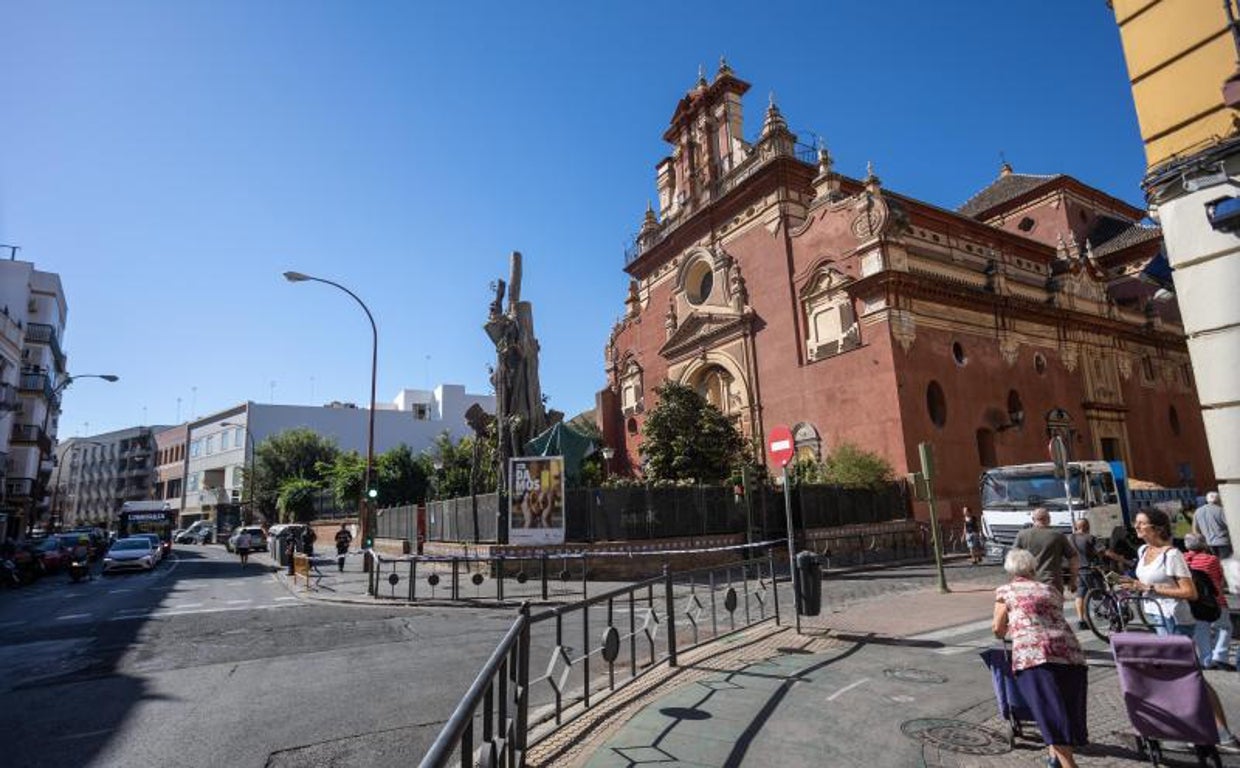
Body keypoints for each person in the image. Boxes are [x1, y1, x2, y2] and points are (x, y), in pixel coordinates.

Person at [1123, 508, 1240, 752]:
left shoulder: (1172, 555)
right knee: (1179, 675)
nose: (1137, 527)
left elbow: (1190, 593)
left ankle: (1218, 731)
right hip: (1156, 617)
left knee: (1189, 675)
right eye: (1136, 523)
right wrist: (1134, 587)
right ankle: (1198, 731)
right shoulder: (1143, 551)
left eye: (1142, 524)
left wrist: (1151, 588)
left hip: (1177, 621)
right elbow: (1145, 584)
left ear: (1156, 528)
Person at [993, 547, 1089, 768]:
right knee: (1065, 711)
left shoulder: (1005, 591)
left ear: (1009, 570)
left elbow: (998, 629)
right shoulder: (1051, 590)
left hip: (1035, 656)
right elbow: (1052, 615)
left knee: (1051, 716)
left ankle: (1067, 764)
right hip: (1070, 653)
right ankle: (1054, 759)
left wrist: (1009, 628)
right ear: (1033, 568)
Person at [1185, 533, 1234, 670]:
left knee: (1201, 630)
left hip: (1194, 602)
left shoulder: (1183, 559)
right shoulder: (1211, 560)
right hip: (1215, 601)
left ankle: (1205, 660)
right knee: (1224, 627)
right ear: (1204, 544)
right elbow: (1220, 580)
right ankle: (1220, 656)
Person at [1013, 508, 1079, 593]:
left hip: (1028, 584)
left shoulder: (1022, 535)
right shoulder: (1058, 536)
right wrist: (1073, 580)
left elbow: (1013, 559)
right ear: (1049, 519)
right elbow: (1073, 558)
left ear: (1033, 519)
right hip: (1052, 583)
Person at [1068, 519, 1101, 631]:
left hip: (1078, 571)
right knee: (1100, 592)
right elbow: (1102, 551)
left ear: (1076, 527)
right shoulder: (1090, 538)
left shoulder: (1070, 538)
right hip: (1091, 570)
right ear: (1087, 526)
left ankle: (1081, 620)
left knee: (1080, 595)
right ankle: (1107, 614)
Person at [1194, 491, 1231, 561]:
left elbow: (1195, 529)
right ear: (1219, 499)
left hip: (1208, 543)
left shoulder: (1198, 511)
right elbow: (1231, 526)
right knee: (1227, 564)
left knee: (1215, 565)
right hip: (1223, 542)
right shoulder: (1221, 510)